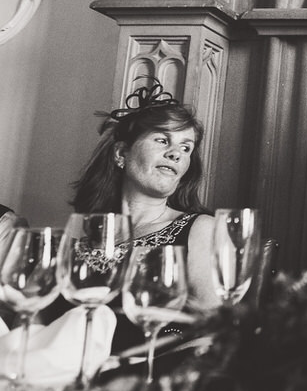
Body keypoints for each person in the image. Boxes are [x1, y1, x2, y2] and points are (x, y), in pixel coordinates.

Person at [60, 84, 220, 349]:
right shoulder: (82, 233)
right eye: (162, 140)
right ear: (122, 154)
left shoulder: (201, 229)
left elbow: (215, 335)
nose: (176, 153)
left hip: (149, 379)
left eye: (187, 147)